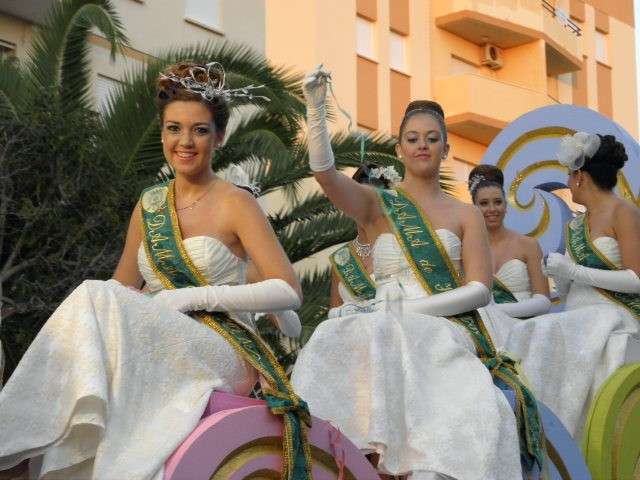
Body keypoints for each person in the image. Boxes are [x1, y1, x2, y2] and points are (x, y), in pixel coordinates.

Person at [0, 61, 309, 480]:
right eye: (174, 128)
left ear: (219, 136)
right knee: (96, 295)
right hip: (160, 332)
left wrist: (191, 297)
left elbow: (288, 290)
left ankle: (14, 440)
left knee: (94, 293)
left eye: (200, 130)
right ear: (162, 133)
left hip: (223, 345)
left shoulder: (236, 202)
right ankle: (50, 441)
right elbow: (121, 288)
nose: (185, 141)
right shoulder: (148, 206)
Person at [291, 66, 545, 480]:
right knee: (333, 336)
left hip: (441, 325)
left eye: (432, 138)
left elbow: (480, 289)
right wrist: (316, 110)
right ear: (399, 149)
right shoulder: (377, 204)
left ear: (446, 148)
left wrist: (409, 310)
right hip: (381, 323)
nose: (422, 145)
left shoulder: (466, 214)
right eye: (412, 138)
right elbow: (326, 176)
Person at [505, 131, 640, 437]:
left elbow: (636, 279)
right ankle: (531, 427)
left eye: (569, 175)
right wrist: (560, 275)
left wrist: (575, 271)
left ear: (580, 177)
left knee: (546, 330)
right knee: (528, 331)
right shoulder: (575, 226)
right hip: (579, 314)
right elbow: (567, 291)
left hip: (615, 315)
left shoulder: (624, 212)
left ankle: (556, 431)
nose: (567, 181)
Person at [468, 165, 551, 319]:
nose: (492, 209)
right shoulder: (466, 250)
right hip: (485, 329)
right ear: (474, 208)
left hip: (524, 325)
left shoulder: (529, 245)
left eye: (498, 202)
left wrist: (496, 313)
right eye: (484, 203)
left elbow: (544, 301)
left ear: (506, 205)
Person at [328, 163, 397, 312]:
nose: (366, 206)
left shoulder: (402, 248)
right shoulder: (342, 259)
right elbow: (335, 314)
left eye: (373, 200)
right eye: (360, 199)